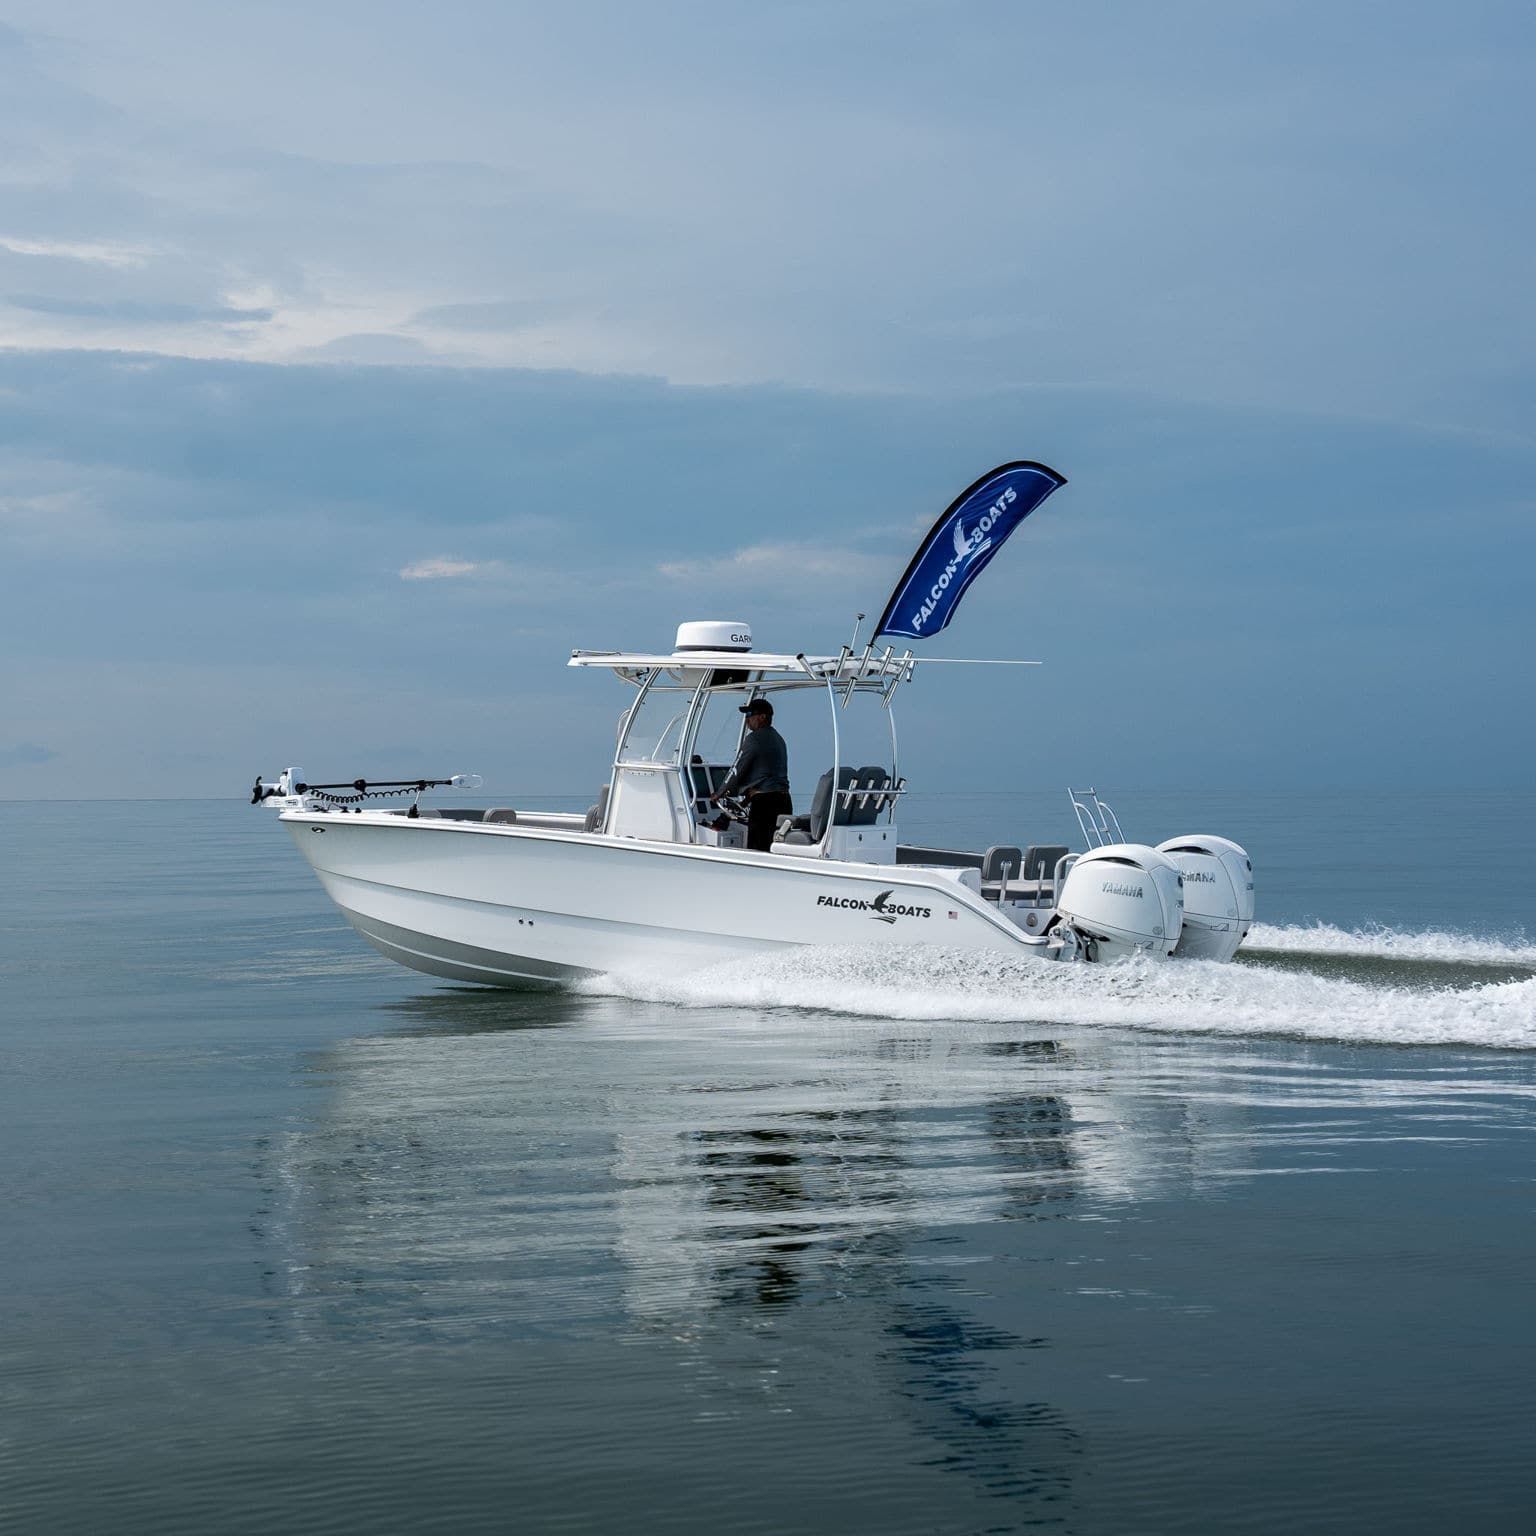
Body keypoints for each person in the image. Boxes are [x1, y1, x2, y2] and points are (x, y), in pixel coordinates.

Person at [711, 697, 792, 853]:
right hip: (783, 801)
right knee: (773, 849)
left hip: (765, 805)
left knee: (757, 851)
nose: (747, 719)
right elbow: (767, 777)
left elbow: (737, 769)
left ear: (762, 717)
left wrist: (719, 793)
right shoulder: (778, 739)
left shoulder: (754, 739)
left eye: (749, 714)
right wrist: (746, 799)